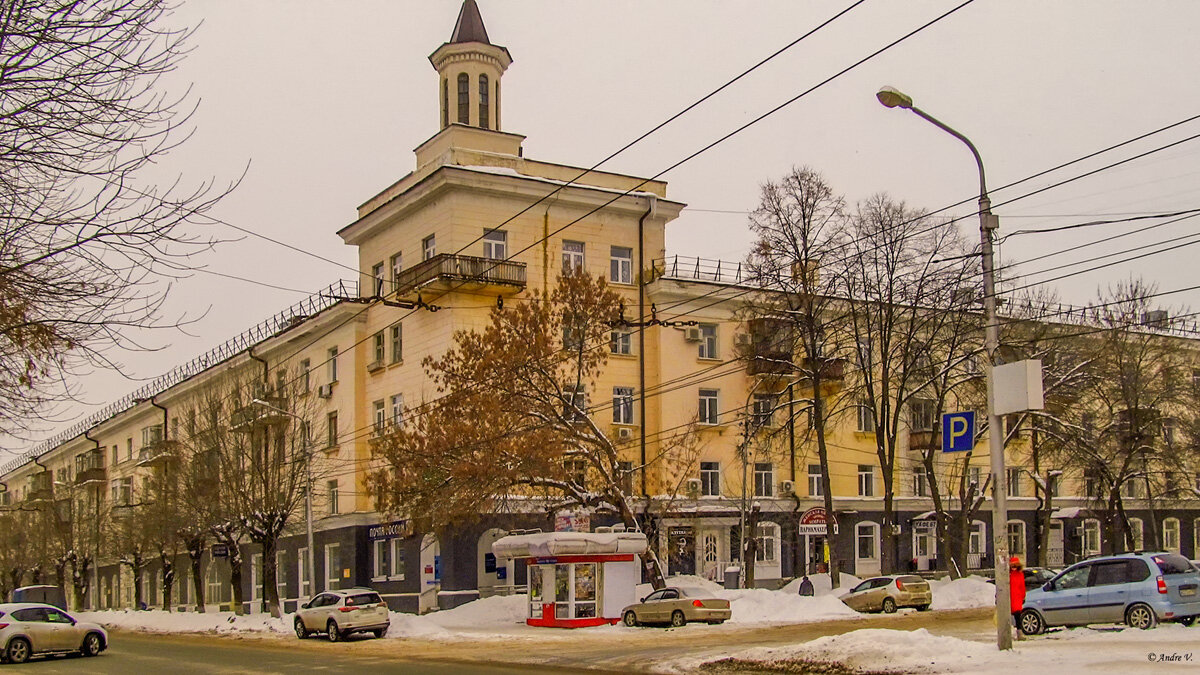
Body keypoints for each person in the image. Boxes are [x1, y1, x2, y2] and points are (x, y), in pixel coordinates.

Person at [1009, 556, 1026, 639]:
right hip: (1009, 597)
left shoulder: (1020, 574)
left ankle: (1019, 633)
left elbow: (1022, 586)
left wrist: (1023, 596)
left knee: (1017, 616)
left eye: (1015, 565)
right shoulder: (1008, 575)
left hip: (1017, 598)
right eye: (1012, 565)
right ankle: (1008, 632)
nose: (1014, 567)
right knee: (1008, 617)